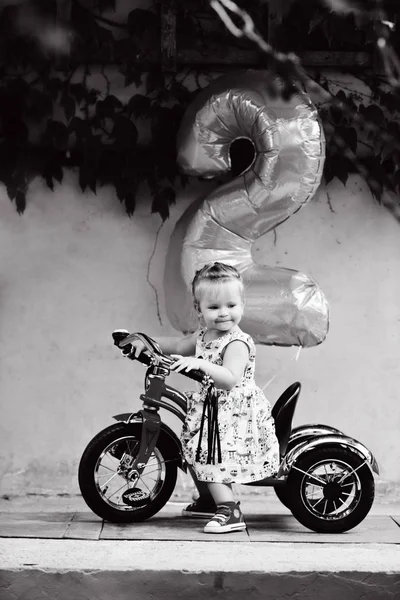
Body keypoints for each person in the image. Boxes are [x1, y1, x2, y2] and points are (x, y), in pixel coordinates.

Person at [129, 262, 280, 534]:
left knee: (212, 455)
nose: (224, 314)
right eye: (214, 307)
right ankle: (211, 500)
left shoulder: (237, 342)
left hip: (233, 412)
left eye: (231, 306)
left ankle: (231, 510)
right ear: (199, 310)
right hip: (212, 408)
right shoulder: (203, 335)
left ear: (242, 306)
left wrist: (201, 365)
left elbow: (230, 377)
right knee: (196, 450)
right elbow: (176, 345)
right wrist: (143, 341)